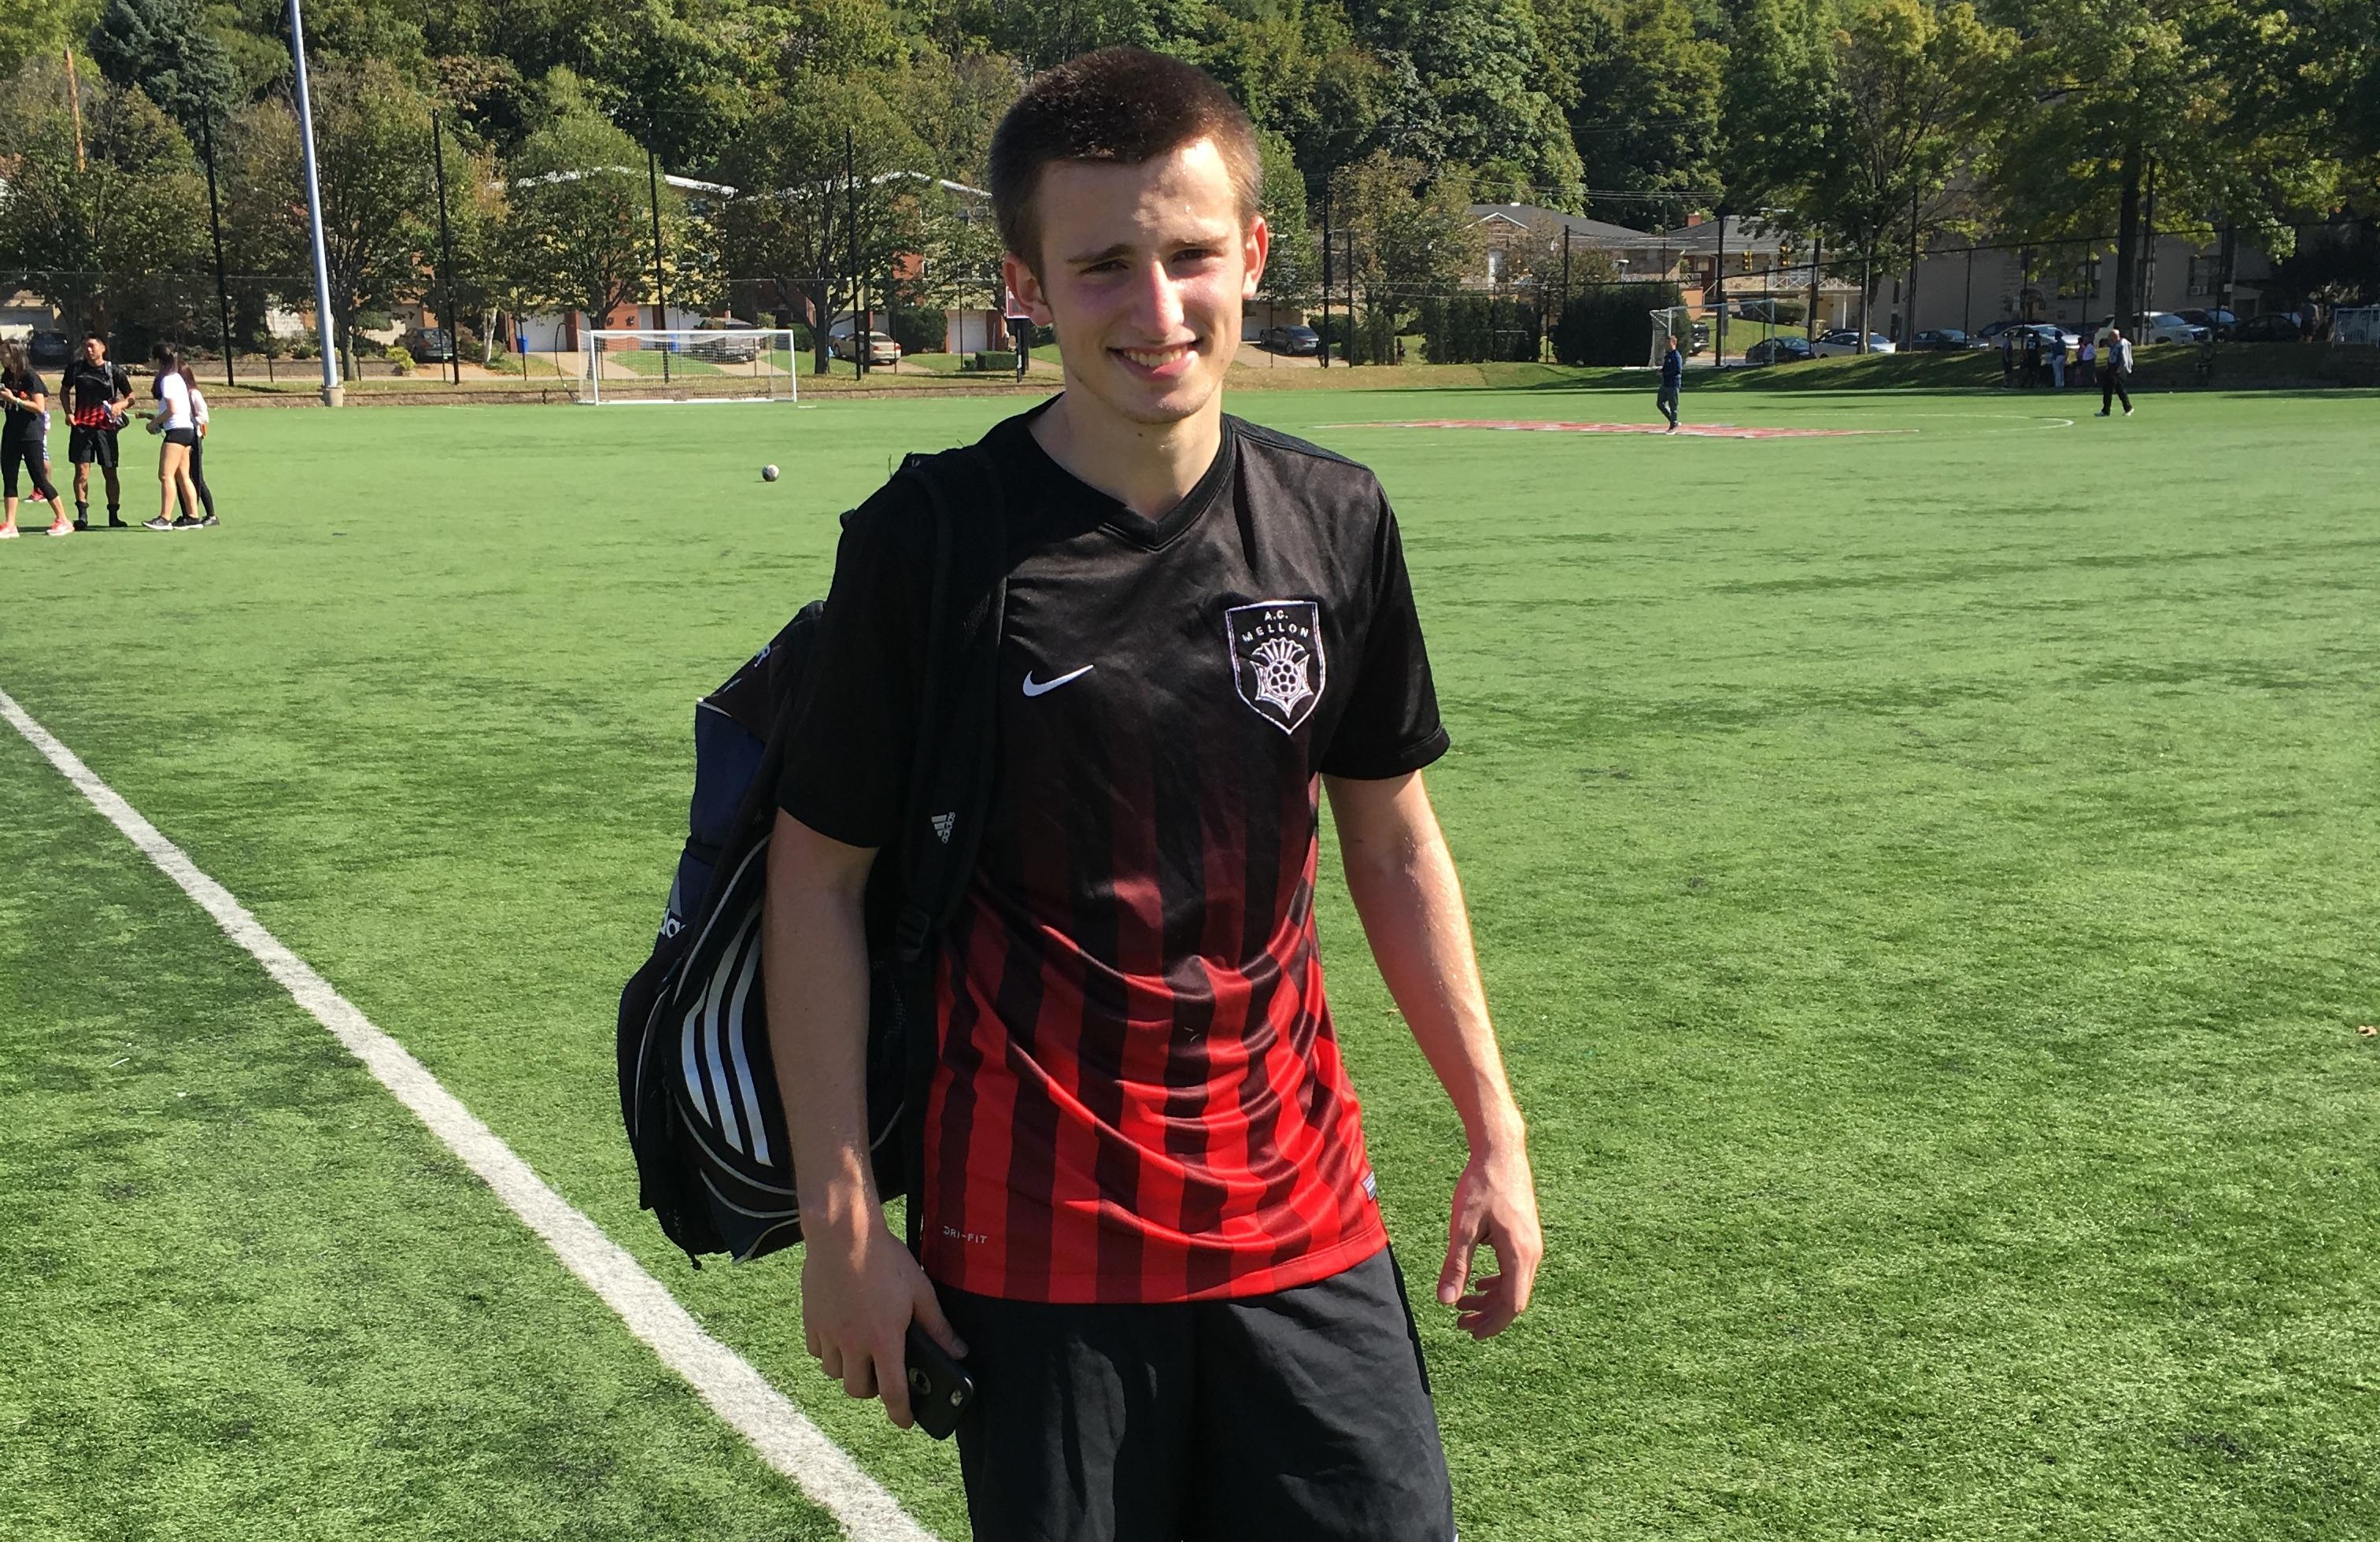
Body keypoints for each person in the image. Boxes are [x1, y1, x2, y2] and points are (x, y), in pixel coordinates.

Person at [764, 46, 1539, 1542]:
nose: (1157, 306)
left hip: (1302, 1215)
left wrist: (1491, 1130)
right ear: (1026, 285)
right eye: (1102, 265)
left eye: (1188, 254)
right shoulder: (930, 542)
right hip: (1034, 1243)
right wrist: (842, 1222)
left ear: (1248, 252)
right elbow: (817, 881)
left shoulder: (1333, 519)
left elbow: (1388, 841)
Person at [0, 339, 73, 538]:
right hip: (11, 433)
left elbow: (39, 407)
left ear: (15, 354)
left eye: (5, 353)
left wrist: (14, 399)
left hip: (31, 434)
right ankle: (10, 524)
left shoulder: (31, 377)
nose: (1, 357)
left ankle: (64, 520)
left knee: (39, 478)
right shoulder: (6, 376)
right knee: (9, 478)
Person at [61, 333, 132, 529]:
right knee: (82, 473)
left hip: (106, 429)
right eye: (85, 346)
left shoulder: (113, 371)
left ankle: (113, 515)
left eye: (92, 346)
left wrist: (121, 405)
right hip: (82, 428)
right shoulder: (76, 369)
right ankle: (82, 515)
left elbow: (130, 396)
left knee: (110, 472)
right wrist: (68, 413)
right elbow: (64, 390)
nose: (88, 350)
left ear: (103, 348)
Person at [139, 342, 204, 530]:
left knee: (165, 475)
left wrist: (154, 423)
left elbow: (172, 410)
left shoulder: (167, 379)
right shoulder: (177, 378)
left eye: (151, 358)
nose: (149, 362)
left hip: (176, 431)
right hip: (187, 431)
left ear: (158, 360)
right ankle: (193, 517)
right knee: (183, 475)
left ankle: (165, 518)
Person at [182, 364, 220, 526]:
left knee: (197, 477)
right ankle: (189, 514)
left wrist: (187, 422)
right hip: (183, 439)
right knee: (184, 477)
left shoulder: (193, 394)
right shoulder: (180, 395)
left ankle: (211, 515)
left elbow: (204, 417)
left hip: (194, 438)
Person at [2097, 325, 2134, 416]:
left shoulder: (2121, 344)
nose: (2109, 339)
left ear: (2115, 336)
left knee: (2120, 390)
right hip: (2111, 368)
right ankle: (2106, 410)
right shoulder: (2114, 345)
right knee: (2107, 389)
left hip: (2118, 370)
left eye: (2110, 337)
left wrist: (2118, 371)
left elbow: (2123, 358)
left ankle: (2128, 408)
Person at [1658, 335, 1683, 431]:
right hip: (1666, 383)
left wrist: (1665, 373)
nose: (1666, 345)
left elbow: (1678, 370)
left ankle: (1673, 425)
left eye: (1668, 343)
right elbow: (1666, 367)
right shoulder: (1668, 356)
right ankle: (1673, 420)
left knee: (1673, 406)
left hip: (1673, 384)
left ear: (1673, 343)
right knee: (1660, 403)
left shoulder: (1676, 355)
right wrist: (1661, 371)